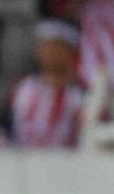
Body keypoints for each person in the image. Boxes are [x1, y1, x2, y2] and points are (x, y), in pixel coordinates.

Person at [11, 21, 85, 149]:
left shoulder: (79, 96)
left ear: (71, 53)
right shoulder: (25, 87)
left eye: (56, 47)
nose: (50, 53)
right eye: (45, 47)